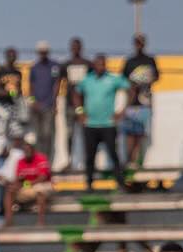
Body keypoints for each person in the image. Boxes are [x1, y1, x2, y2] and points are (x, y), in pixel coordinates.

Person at [75, 53, 128, 191]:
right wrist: (80, 111)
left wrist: (122, 111)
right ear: (94, 65)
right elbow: (76, 94)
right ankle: (89, 184)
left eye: (103, 64)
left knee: (113, 154)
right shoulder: (87, 80)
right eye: (98, 64)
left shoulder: (113, 79)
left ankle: (120, 182)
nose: (100, 67)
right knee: (90, 156)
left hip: (108, 124)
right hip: (90, 124)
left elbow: (129, 88)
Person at [120, 34, 159, 169]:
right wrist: (132, 85)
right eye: (137, 42)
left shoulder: (150, 60)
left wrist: (145, 80)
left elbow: (156, 77)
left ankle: (138, 161)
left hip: (145, 103)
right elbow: (122, 79)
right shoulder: (129, 61)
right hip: (131, 103)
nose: (139, 45)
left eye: (141, 42)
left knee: (141, 133)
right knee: (130, 132)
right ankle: (130, 159)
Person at [59, 37, 93, 173]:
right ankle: (69, 160)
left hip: (85, 105)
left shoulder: (88, 64)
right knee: (69, 134)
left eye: (78, 46)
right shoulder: (66, 64)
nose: (75, 49)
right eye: (73, 46)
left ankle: (88, 162)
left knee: (86, 134)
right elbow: (59, 82)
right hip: (69, 105)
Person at [25, 40, 60, 160]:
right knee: (38, 136)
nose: (43, 54)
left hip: (49, 106)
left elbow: (56, 85)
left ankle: (46, 162)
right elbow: (31, 87)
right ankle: (39, 161)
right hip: (36, 107)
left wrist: (55, 103)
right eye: (41, 52)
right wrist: (33, 101)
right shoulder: (34, 67)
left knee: (48, 135)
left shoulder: (54, 66)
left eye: (45, 52)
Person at [7, 135, 53, 226]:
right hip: (27, 188)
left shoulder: (41, 158)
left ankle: (41, 222)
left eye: (29, 148)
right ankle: (9, 220)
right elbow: (18, 179)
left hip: (43, 186)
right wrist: (16, 185)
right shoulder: (20, 161)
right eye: (25, 149)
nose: (27, 150)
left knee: (40, 190)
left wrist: (26, 184)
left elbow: (42, 178)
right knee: (10, 191)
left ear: (33, 149)